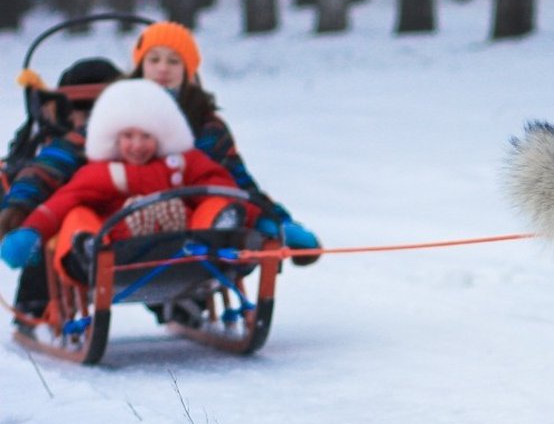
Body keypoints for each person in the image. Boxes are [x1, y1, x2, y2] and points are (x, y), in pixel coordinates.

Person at [0, 79, 252, 287]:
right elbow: (64, 201)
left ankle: (222, 230)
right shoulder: (102, 172)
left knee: (216, 199)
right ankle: (85, 248)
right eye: (128, 136)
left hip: (187, 243)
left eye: (146, 136)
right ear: (113, 139)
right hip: (118, 250)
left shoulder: (183, 162)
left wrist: (259, 217)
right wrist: (32, 231)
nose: (137, 145)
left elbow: (221, 183)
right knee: (77, 213)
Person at [127, 21, 321, 265]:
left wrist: (278, 219)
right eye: (154, 60)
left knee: (224, 203)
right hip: (134, 218)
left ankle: (263, 230)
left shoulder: (207, 126)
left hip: (201, 213)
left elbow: (236, 178)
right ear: (141, 67)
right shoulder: (117, 113)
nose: (163, 68)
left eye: (174, 61)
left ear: (188, 71)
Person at [0, 58, 122, 323]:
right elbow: (41, 172)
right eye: (81, 108)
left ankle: (181, 299)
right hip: (75, 227)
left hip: (128, 220)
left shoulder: (141, 136)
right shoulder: (71, 144)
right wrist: (17, 206)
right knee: (46, 234)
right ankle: (35, 303)